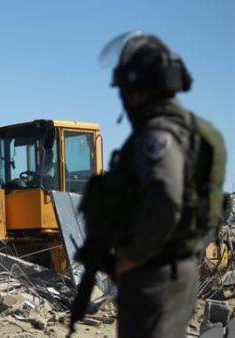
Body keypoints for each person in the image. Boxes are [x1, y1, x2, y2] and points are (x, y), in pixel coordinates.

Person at [92, 31, 226, 338]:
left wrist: (133, 257)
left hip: (154, 274)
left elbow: (166, 198)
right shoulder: (194, 131)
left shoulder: (158, 136)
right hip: (178, 270)